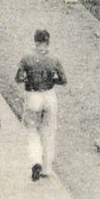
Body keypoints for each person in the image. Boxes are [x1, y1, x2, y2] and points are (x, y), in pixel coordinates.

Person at [15, 28, 68, 182]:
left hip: (33, 95)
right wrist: (52, 80)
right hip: (49, 96)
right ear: (48, 41)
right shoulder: (55, 58)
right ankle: (46, 169)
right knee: (48, 133)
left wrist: (28, 79)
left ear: (35, 40)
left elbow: (18, 78)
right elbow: (64, 80)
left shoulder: (27, 57)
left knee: (32, 131)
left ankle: (35, 161)